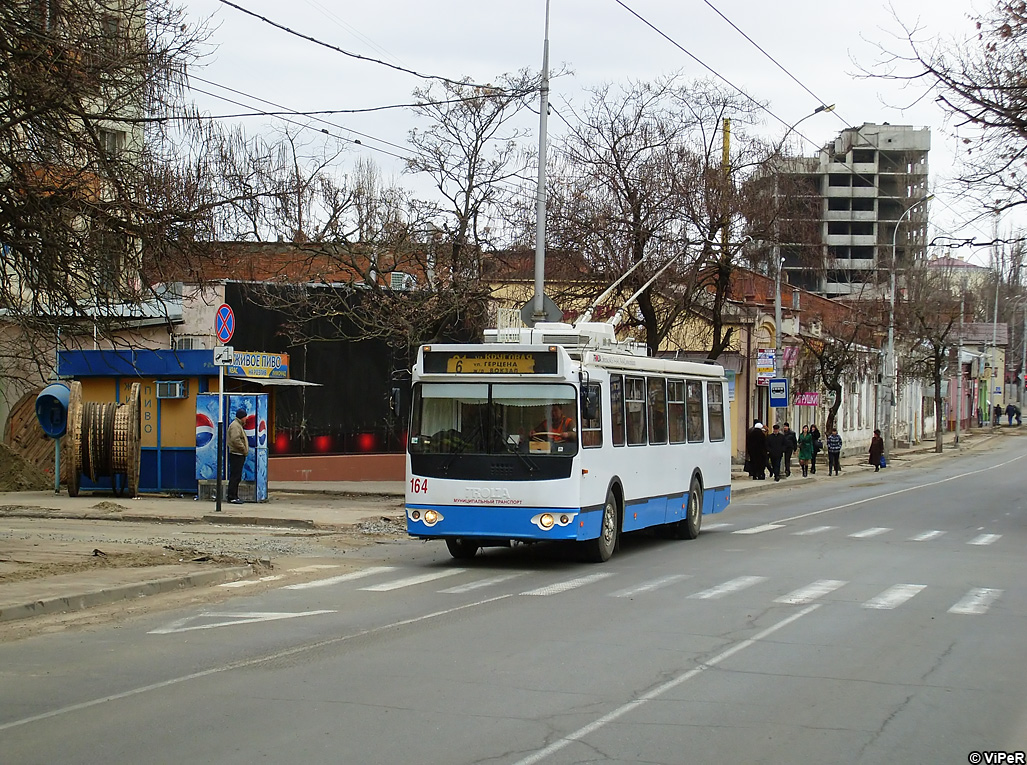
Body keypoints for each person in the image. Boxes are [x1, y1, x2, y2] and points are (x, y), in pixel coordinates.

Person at [227, 407, 249, 504]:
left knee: (236, 476)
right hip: (236, 454)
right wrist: (243, 449)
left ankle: (234, 495)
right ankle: (232, 496)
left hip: (238, 454)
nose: (246, 419)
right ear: (241, 417)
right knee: (235, 476)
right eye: (245, 417)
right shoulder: (235, 426)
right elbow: (235, 439)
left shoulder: (237, 425)